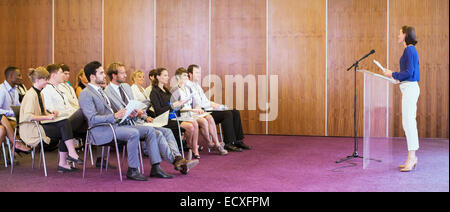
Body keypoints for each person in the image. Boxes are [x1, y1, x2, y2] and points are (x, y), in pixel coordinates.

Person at [79, 61, 174, 180]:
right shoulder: (85, 94)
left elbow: (112, 114)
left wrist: (126, 114)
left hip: (115, 126)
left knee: (150, 131)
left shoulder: (101, 91)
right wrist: (114, 116)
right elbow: (92, 119)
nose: (104, 75)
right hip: (101, 130)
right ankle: (133, 170)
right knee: (133, 133)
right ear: (92, 77)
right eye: (101, 73)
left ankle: (156, 167)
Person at [104, 62, 198, 174]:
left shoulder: (126, 87)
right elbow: (115, 113)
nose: (125, 75)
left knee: (167, 131)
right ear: (114, 75)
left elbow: (132, 105)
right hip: (124, 125)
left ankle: (178, 159)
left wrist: (142, 114)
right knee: (157, 133)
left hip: (138, 120)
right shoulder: (107, 92)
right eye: (122, 73)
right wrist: (131, 113)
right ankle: (176, 161)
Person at [20, 67, 82, 173]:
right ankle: (67, 158)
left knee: (65, 126)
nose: (48, 82)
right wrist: (47, 117)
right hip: (31, 129)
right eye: (45, 79)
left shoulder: (39, 93)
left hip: (38, 125)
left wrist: (51, 113)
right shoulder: (31, 95)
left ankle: (66, 160)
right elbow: (28, 116)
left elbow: (43, 112)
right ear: (38, 80)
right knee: (65, 126)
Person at [187, 64, 251, 151]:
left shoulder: (197, 85)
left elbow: (206, 101)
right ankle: (228, 143)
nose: (199, 75)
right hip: (201, 112)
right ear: (190, 74)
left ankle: (238, 141)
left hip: (207, 108)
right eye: (197, 73)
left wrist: (220, 106)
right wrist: (214, 106)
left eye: (199, 73)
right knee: (227, 114)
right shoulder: (188, 86)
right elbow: (199, 104)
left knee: (234, 111)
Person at [383, 26, 420, 172]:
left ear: (405, 35)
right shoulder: (409, 50)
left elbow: (409, 72)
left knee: (409, 123)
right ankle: (411, 158)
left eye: (399, 33)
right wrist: (393, 77)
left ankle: (412, 158)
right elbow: (407, 74)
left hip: (410, 89)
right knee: (408, 123)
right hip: (407, 88)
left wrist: (392, 73)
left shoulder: (410, 49)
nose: (398, 35)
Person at [171, 67, 228, 156]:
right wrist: (194, 109)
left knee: (208, 118)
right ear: (178, 77)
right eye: (184, 76)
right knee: (202, 122)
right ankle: (199, 145)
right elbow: (175, 108)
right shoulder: (175, 90)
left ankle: (215, 143)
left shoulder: (188, 89)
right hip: (182, 114)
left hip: (191, 112)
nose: (186, 78)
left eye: (186, 76)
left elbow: (195, 103)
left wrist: (198, 109)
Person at [150, 68, 202, 159]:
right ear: (158, 77)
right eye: (165, 75)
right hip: (165, 119)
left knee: (194, 123)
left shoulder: (166, 90)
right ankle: (189, 146)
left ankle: (189, 146)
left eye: (167, 75)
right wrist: (173, 105)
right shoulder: (154, 92)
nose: (168, 77)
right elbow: (158, 111)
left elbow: (174, 106)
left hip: (174, 116)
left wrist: (182, 105)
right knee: (190, 126)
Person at [0, 66, 31, 152]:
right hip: (7, 118)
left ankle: (15, 147)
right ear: (10, 76)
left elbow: (17, 105)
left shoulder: (15, 90)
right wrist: (11, 112)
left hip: (10, 119)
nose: (21, 78)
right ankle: (17, 144)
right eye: (19, 75)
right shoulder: (1, 90)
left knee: (3, 129)